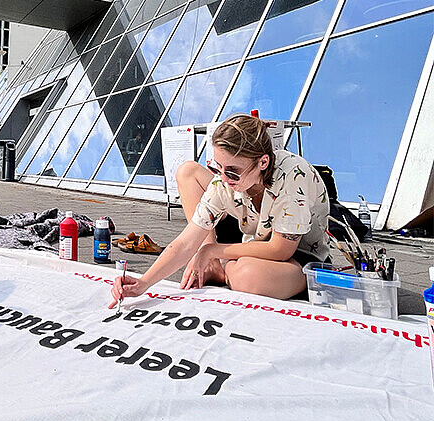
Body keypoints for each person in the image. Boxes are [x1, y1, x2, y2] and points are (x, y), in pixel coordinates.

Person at [110, 114, 330, 307]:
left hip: (301, 256)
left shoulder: (292, 177)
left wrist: (211, 251)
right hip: (256, 242)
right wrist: (143, 283)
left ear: (263, 162)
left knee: (247, 277)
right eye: (217, 168)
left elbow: (280, 250)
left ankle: (227, 269)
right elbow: (186, 242)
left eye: (233, 172)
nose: (224, 179)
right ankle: (223, 268)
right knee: (242, 270)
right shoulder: (224, 182)